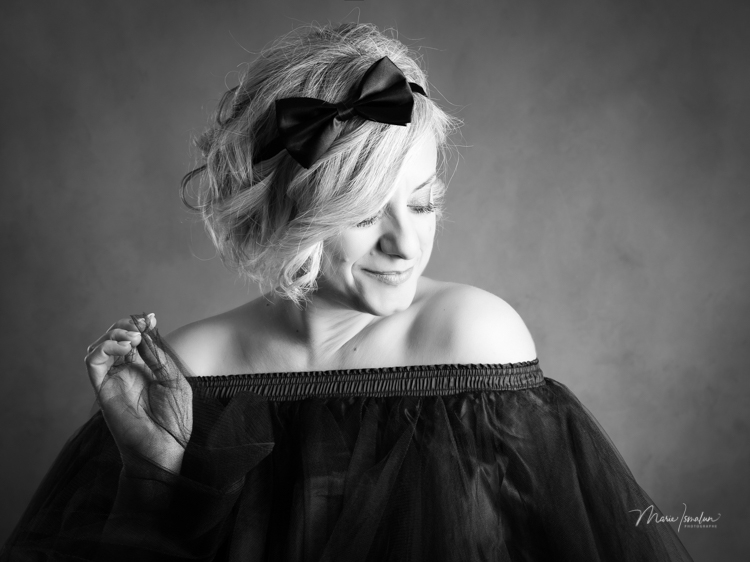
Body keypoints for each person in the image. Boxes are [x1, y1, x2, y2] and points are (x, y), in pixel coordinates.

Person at [1, 22, 694, 562]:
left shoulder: (472, 339)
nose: (406, 244)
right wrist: (155, 475)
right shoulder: (188, 371)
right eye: (364, 215)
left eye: (422, 203)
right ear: (285, 210)